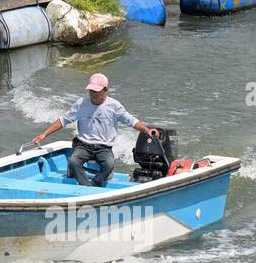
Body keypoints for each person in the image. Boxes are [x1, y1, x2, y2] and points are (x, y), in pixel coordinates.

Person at [29, 73, 160, 187]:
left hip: (104, 147)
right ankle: (85, 186)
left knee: (108, 165)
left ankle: (95, 184)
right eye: (91, 90)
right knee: (74, 161)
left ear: (105, 90)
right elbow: (63, 120)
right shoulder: (81, 104)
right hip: (83, 145)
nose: (93, 94)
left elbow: (131, 121)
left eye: (96, 91)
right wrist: (44, 134)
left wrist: (147, 130)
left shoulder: (114, 106)